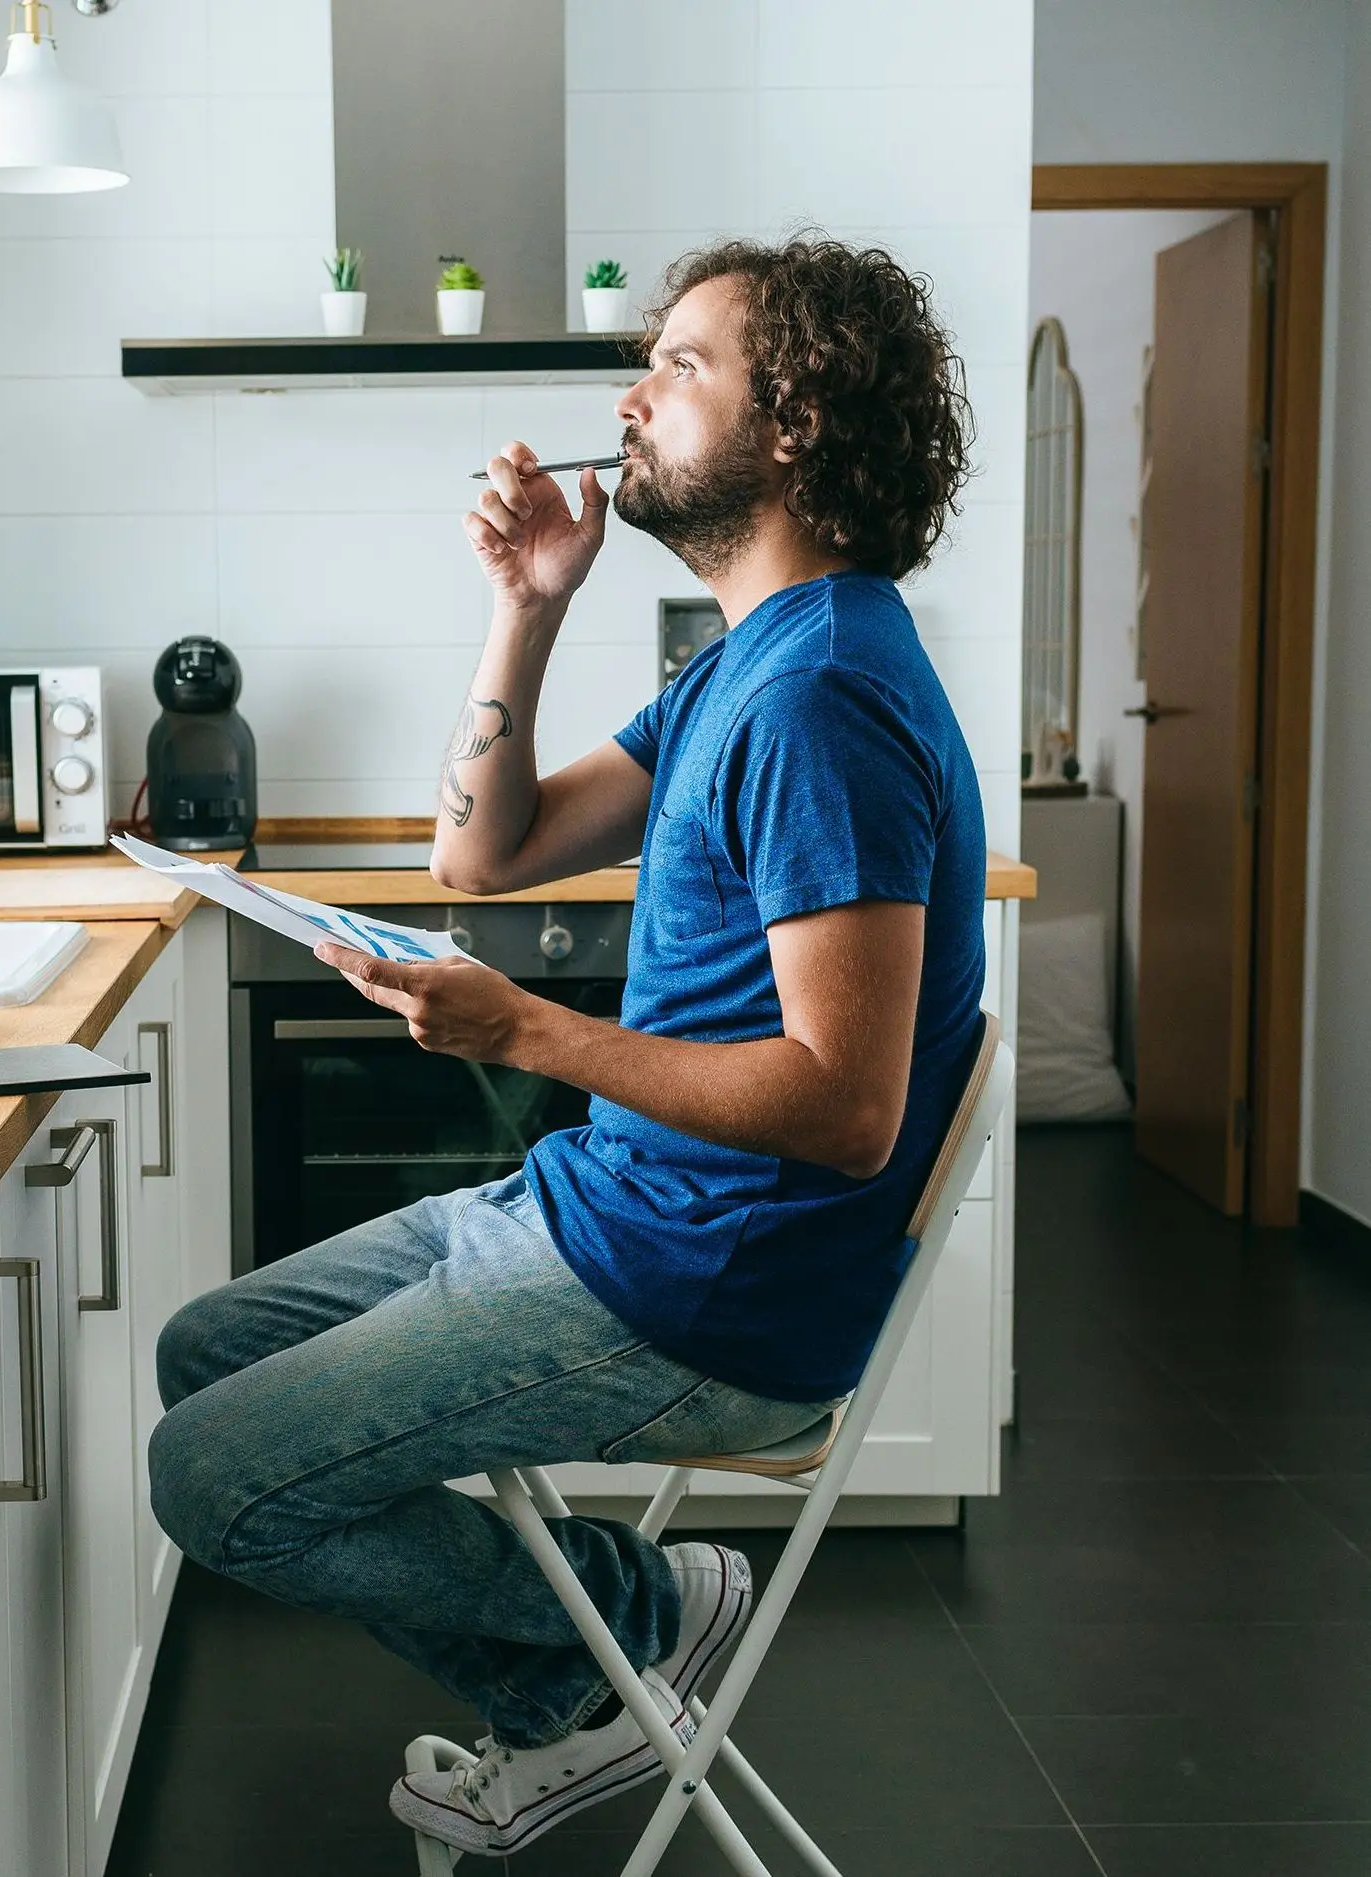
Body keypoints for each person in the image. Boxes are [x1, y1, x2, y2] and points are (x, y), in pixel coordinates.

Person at [148, 235, 984, 1858]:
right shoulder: (746, 659)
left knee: (209, 1476)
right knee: (204, 1356)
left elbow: (846, 1107)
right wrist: (524, 609)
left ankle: (640, 1608)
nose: (633, 395)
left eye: (681, 364)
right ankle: (589, 1691)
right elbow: (482, 854)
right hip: (606, 1207)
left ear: (795, 421)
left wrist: (532, 1027)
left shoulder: (823, 700)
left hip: (699, 1289)